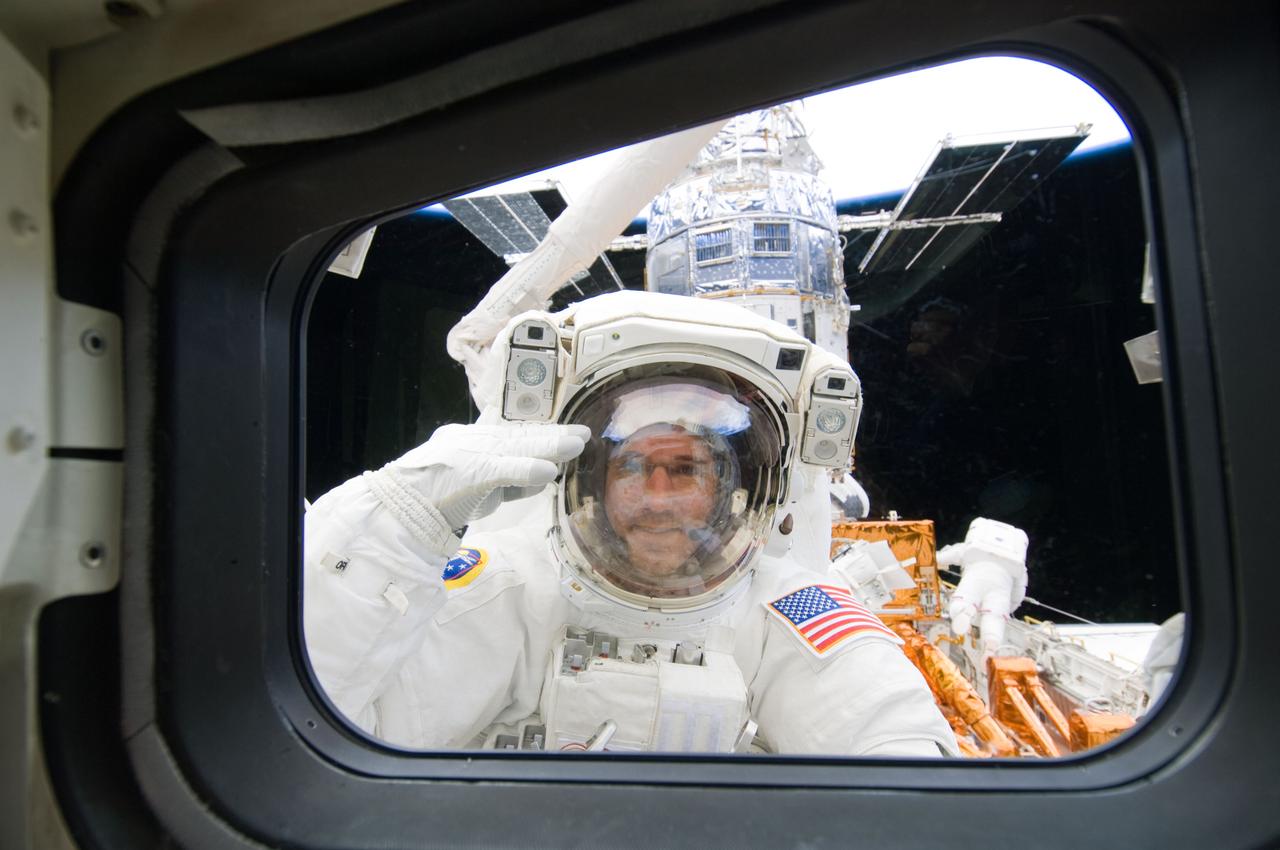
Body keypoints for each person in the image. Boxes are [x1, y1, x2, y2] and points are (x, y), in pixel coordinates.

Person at [304, 291, 957, 756]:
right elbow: (319, 727)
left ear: (730, 489)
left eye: (688, 469)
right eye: (633, 465)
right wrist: (394, 523)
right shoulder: (512, 593)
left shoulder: (780, 609)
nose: (659, 497)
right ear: (593, 481)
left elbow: (896, 755)